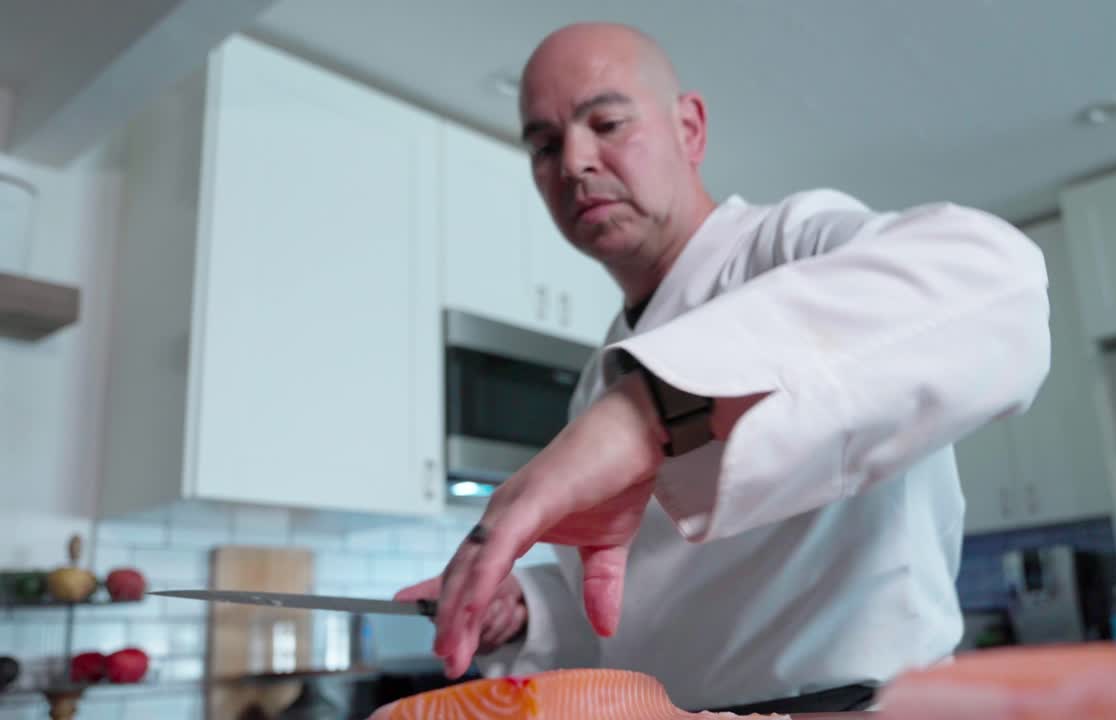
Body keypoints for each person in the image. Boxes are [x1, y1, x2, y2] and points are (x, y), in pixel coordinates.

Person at [394, 21, 1051, 713]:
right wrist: (527, 609)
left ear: (690, 128)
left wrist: (650, 416)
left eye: (608, 123)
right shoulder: (601, 376)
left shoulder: (795, 243)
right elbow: (640, 615)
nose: (574, 163)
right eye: (545, 146)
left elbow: (996, 284)